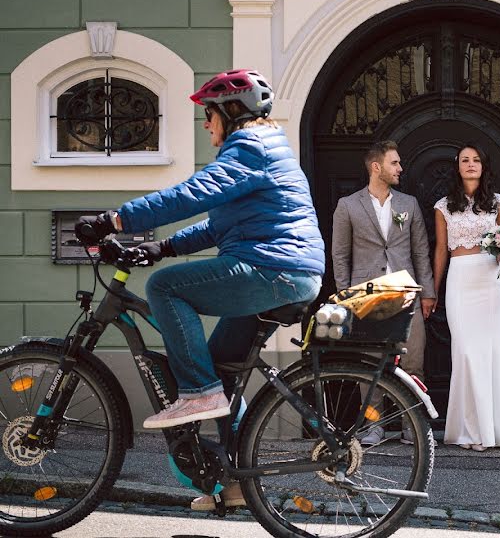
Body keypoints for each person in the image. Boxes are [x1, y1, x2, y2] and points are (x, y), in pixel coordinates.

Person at [75, 69, 325, 509]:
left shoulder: (249, 146)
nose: (206, 124)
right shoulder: (263, 149)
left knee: (166, 288)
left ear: (231, 112)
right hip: (281, 268)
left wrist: (117, 219)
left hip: (274, 268)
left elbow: (196, 192)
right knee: (222, 372)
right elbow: (220, 225)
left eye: (208, 115)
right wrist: (163, 245)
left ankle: (197, 394)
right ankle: (235, 485)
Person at [331, 140, 436, 445]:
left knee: (414, 361)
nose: (400, 168)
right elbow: (340, 256)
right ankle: (373, 426)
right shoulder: (348, 206)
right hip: (367, 294)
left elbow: (420, 251)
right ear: (376, 167)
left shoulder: (409, 204)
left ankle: (411, 425)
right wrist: (346, 298)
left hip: (406, 291)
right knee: (370, 365)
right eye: (395, 163)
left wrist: (427, 292)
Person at [432, 144, 500, 452]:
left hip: (490, 280)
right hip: (460, 279)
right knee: (465, 353)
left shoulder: (499, 203)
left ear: (484, 167)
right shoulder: (443, 206)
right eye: (465, 160)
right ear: (457, 167)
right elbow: (439, 250)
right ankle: (469, 430)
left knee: (492, 351)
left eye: (476, 160)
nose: (471, 164)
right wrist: (433, 289)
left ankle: (496, 430)